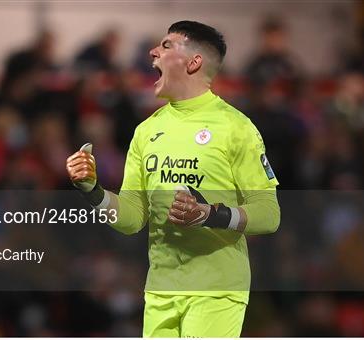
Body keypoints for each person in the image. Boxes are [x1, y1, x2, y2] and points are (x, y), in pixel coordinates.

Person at [66, 21, 280, 337]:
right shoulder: (146, 131)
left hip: (215, 291)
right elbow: (132, 217)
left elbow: (269, 214)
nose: (153, 51)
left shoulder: (237, 128)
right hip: (160, 290)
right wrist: (93, 191)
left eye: (166, 46)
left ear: (194, 63)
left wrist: (211, 214)